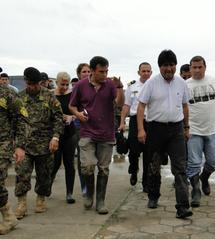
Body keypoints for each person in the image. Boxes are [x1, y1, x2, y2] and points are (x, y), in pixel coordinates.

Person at [137, 49, 193, 219]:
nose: (168, 69)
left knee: (180, 168)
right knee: (154, 165)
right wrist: (141, 129)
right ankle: (153, 196)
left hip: (176, 129)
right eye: (165, 66)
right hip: (155, 129)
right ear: (159, 67)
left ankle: (182, 207)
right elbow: (141, 107)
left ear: (175, 66)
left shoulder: (181, 83)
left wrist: (186, 127)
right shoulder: (151, 83)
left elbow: (184, 106)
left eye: (171, 65)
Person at [69, 56, 124, 214]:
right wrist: (78, 114)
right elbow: (71, 106)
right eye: (101, 71)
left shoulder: (110, 85)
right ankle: (88, 194)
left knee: (104, 169)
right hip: (87, 132)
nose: (105, 74)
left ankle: (100, 201)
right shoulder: (80, 85)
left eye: (106, 71)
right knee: (87, 166)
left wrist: (119, 88)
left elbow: (119, 103)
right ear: (92, 71)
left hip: (106, 133)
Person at [0, 56, 27, 235]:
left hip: (0, 149)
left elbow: (21, 119)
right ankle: (9, 217)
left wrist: (20, 146)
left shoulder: (8, 94)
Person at [14, 67, 63, 219]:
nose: (33, 87)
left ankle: (41, 199)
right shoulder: (19, 97)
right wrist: (15, 143)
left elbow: (58, 118)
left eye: (36, 84)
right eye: (30, 84)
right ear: (26, 82)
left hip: (45, 144)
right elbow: (13, 120)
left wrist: (55, 137)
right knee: (22, 174)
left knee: (44, 175)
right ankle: (21, 204)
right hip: (24, 145)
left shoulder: (49, 96)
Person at [185, 55, 215, 207]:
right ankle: (195, 190)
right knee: (194, 163)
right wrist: (185, 127)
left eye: (200, 67)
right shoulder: (185, 85)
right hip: (193, 130)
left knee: (213, 162)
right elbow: (182, 107)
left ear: (205, 67)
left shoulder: (214, 82)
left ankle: (204, 178)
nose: (197, 70)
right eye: (194, 67)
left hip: (213, 130)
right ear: (190, 69)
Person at [119, 62, 152, 191]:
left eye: (148, 71)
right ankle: (133, 170)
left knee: (149, 153)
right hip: (134, 120)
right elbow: (126, 105)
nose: (146, 73)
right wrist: (122, 121)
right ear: (139, 72)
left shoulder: (155, 85)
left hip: (151, 121)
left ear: (151, 72)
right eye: (143, 71)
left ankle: (146, 182)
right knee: (133, 150)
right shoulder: (132, 87)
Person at [51, 72, 77, 204]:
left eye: (67, 84)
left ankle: (69, 193)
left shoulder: (72, 95)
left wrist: (72, 117)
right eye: (62, 84)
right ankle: (48, 183)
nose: (65, 87)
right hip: (55, 135)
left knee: (69, 163)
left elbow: (79, 111)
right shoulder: (50, 95)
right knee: (55, 162)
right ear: (56, 82)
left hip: (69, 133)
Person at [74, 63, 91, 197]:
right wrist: (78, 114)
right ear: (79, 74)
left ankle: (91, 184)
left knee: (93, 159)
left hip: (95, 126)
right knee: (83, 158)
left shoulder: (96, 87)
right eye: (84, 71)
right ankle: (84, 186)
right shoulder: (77, 88)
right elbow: (71, 106)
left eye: (88, 71)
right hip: (80, 126)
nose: (86, 73)